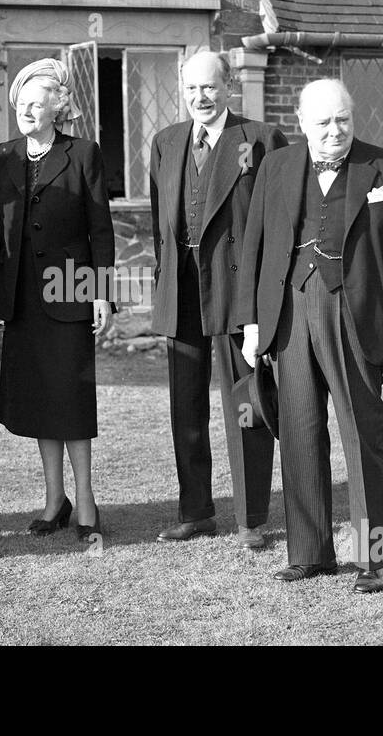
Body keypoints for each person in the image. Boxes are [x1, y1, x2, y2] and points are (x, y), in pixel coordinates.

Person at [238, 79, 383, 592]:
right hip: (289, 314)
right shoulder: (275, 168)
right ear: (301, 123)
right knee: (298, 430)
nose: (334, 130)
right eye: (322, 122)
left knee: (363, 436)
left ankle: (373, 559)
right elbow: (253, 248)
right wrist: (252, 323)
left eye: (342, 119)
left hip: (357, 313)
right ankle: (310, 552)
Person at [147, 51, 288, 548]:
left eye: (209, 88)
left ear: (228, 87)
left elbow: (279, 224)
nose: (200, 98)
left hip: (237, 291)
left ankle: (252, 520)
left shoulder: (262, 139)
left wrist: (265, 303)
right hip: (182, 291)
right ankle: (196, 512)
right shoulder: (165, 143)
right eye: (191, 89)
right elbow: (159, 224)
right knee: (185, 407)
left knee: (245, 405)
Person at [0, 58, 114, 538]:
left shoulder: (83, 153)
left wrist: (102, 293)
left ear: (57, 108)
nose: (28, 111)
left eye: (38, 104)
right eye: (22, 103)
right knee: (41, 401)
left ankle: (86, 501)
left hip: (70, 290)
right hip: (21, 297)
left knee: (72, 399)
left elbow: (100, 227)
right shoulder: (2, 155)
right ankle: (53, 499)